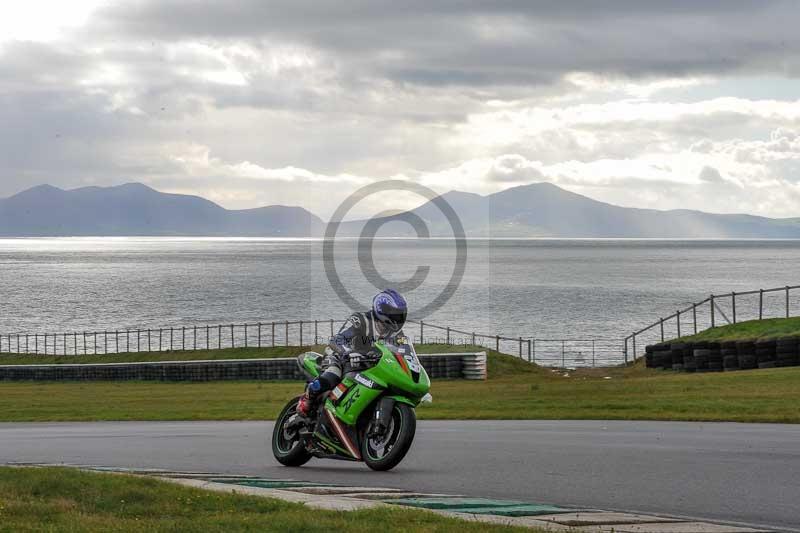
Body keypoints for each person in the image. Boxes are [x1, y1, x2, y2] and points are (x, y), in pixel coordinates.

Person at [296, 289, 408, 417]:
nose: (398, 319)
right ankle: (307, 398)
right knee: (333, 375)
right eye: (396, 315)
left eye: (401, 315)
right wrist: (348, 352)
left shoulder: (397, 334)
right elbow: (337, 340)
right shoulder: (359, 319)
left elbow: (403, 351)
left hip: (368, 365)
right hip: (339, 357)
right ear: (383, 310)